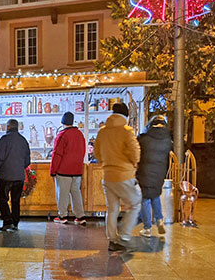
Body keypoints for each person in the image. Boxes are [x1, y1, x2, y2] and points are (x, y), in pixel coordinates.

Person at [94, 102, 142, 252]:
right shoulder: (127, 130)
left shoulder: (103, 131)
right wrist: (134, 164)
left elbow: (96, 152)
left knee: (112, 208)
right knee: (135, 204)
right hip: (124, 175)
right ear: (126, 116)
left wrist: (105, 163)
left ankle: (112, 240)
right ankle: (124, 236)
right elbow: (135, 151)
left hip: (108, 176)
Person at [137, 115, 172, 238]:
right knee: (155, 195)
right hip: (160, 172)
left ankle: (147, 228)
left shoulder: (144, 139)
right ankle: (159, 219)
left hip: (145, 171)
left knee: (145, 198)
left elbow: (137, 152)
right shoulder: (168, 140)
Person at [0, 119, 30, 232]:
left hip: (5, 175)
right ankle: (15, 222)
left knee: (2, 199)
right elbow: (27, 161)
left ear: (8, 127)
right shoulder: (23, 140)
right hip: (19, 176)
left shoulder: (4, 140)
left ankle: (7, 221)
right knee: (15, 200)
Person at [50, 112, 87, 225]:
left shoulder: (62, 135)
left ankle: (62, 216)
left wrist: (53, 170)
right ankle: (80, 216)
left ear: (62, 123)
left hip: (64, 170)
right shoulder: (80, 134)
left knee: (62, 194)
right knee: (76, 193)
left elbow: (57, 154)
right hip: (77, 170)